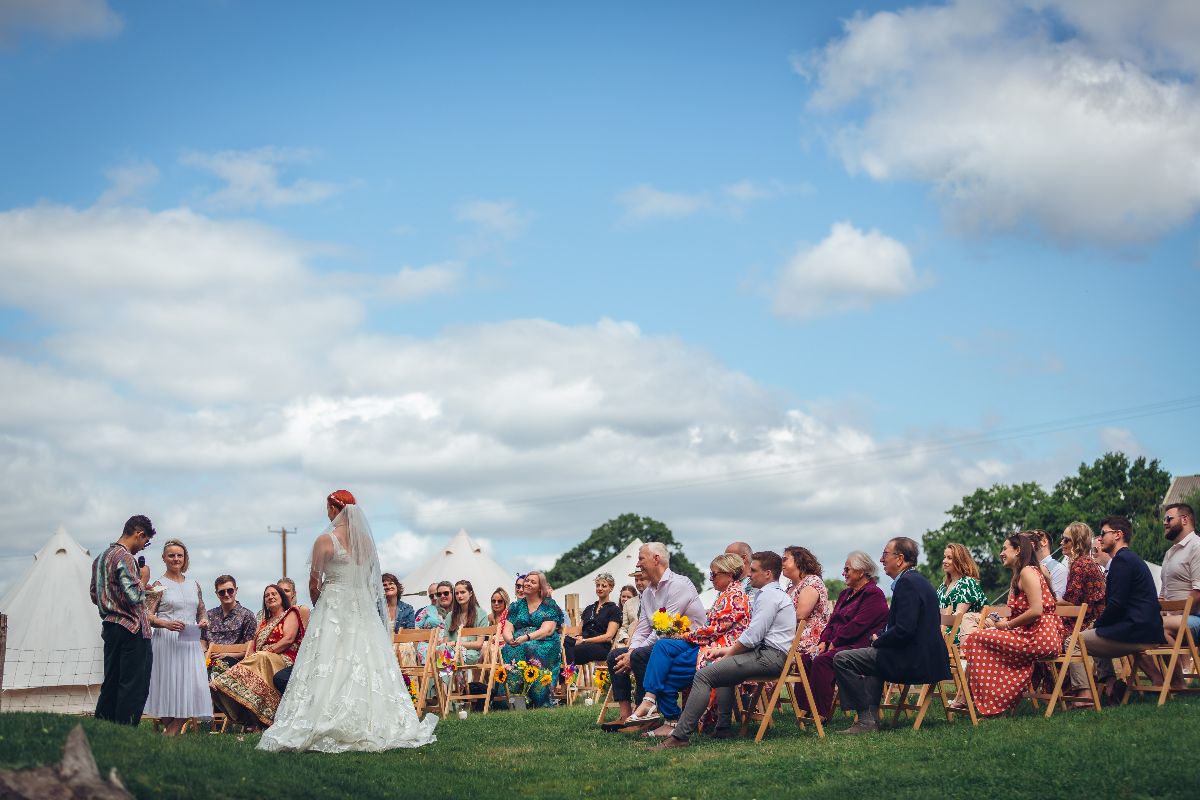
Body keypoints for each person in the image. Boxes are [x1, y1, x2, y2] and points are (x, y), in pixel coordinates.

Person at [259, 490, 437, 752]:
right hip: (361, 607)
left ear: (333, 509)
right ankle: (372, 720)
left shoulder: (325, 540)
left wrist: (322, 606)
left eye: (327, 508)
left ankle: (324, 716)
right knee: (364, 660)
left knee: (329, 659)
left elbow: (313, 582)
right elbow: (370, 581)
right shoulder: (365, 542)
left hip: (333, 604)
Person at [655, 551, 792, 748]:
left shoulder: (769, 596)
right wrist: (724, 652)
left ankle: (680, 736)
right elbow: (752, 637)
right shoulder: (772, 594)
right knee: (722, 668)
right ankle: (722, 728)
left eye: (753, 570)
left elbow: (752, 636)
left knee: (704, 675)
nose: (749, 574)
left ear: (768, 573)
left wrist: (727, 651)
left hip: (769, 658)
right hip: (768, 655)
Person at [832, 537, 950, 735]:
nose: (880, 560)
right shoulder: (916, 580)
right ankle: (870, 718)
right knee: (868, 659)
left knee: (842, 659)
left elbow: (904, 630)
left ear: (900, 558)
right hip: (923, 656)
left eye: (885, 554)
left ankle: (865, 719)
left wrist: (879, 641)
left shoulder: (908, 584)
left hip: (914, 660)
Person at [628, 553, 750, 734]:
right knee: (663, 646)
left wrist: (686, 635)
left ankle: (671, 720)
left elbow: (714, 630)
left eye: (714, 574)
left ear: (729, 574)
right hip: (705, 643)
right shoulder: (724, 594)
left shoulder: (735, 596)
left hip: (719, 649)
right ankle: (650, 700)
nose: (711, 578)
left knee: (667, 671)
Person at [961, 532, 1065, 717]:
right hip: (1032, 633)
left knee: (977, 639)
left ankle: (990, 704)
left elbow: (1036, 610)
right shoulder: (1022, 573)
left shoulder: (1027, 572)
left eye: (1004, 548)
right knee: (982, 637)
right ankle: (992, 700)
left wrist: (1007, 626)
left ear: (1017, 550)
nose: (1001, 553)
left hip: (1040, 637)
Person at [606, 543, 706, 725]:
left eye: (641, 558)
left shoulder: (678, 585)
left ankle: (646, 715)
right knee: (615, 656)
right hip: (665, 643)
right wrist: (630, 651)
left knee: (639, 655)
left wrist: (633, 654)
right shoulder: (647, 592)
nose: (637, 564)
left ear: (656, 559)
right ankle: (626, 716)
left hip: (689, 644)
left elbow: (663, 630)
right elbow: (643, 626)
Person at [1081, 516, 1168, 701]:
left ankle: (1086, 695)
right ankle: (1119, 685)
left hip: (1137, 631)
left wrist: (1096, 625)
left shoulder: (1122, 562)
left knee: (1076, 641)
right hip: (1145, 628)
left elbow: (1116, 605)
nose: (1100, 539)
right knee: (1094, 635)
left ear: (1118, 535)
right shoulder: (1130, 559)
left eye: (1103, 534)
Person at [800, 551, 889, 722]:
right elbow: (832, 622)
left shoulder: (873, 594)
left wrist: (834, 642)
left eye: (847, 569)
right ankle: (806, 708)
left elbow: (857, 626)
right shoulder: (845, 594)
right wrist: (824, 641)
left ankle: (821, 713)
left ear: (861, 572)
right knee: (806, 658)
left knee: (822, 661)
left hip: (858, 645)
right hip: (838, 643)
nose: (844, 573)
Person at [90, 514, 156, 726]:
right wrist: (143, 579)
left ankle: (103, 728)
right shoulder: (125, 557)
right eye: (145, 541)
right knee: (133, 685)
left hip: (110, 626)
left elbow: (94, 594)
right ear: (139, 534)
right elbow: (135, 596)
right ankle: (124, 731)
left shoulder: (99, 559)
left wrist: (114, 602)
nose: (144, 547)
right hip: (132, 629)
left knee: (110, 682)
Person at [143, 539, 212, 734]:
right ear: (164, 558)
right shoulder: (158, 585)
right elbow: (147, 615)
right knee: (167, 688)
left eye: (179, 555)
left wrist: (204, 621)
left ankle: (170, 733)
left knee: (192, 687)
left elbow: (202, 612)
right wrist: (166, 623)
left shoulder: (194, 584)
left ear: (185, 558)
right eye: (171, 555)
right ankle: (171, 733)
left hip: (190, 642)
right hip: (165, 641)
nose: (176, 559)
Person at [209, 584, 303, 727]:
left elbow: (288, 639)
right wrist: (250, 658)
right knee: (247, 662)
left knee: (261, 658)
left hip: (284, 658)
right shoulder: (263, 623)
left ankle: (221, 681)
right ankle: (252, 721)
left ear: (282, 597)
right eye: (267, 595)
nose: (270, 597)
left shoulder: (291, 613)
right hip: (261, 659)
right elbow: (253, 647)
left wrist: (264, 653)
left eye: (274, 594)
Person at [500, 571, 565, 708]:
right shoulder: (516, 606)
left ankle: (538, 699)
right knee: (507, 649)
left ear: (540, 587)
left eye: (533, 582)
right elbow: (507, 628)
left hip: (545, 643)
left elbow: (547, 630)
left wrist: (527, 637)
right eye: (527, 580)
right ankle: (514, 700)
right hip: (519, 641)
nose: (528, 583)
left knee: (528, 647)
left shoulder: (549, 604)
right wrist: (509, 639)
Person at [1059, 522, 1106, 701]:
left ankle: (1081, 691)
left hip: (1089, 622)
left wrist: (1045, 603)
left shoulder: (1080, 565)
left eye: (1066, 540)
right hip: (1096, 619)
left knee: (1056, 636)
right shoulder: (1087, 562)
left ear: (1077, 542)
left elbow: (1071, 600)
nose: (1062, 543)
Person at [1158, 503, 1200, 655]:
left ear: (1184, 519)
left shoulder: (1197, 547)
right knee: (1137, 625)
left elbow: (1198, 592)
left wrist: (1175, 613)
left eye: (1168, 518)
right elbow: (1163, 594)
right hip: (1175, 619)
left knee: (1155, 626)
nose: (1164, 523)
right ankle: (1169, 677)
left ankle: (1176, 677)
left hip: (1195, 618)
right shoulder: (1169, 553)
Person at [782, 545, 831, 656]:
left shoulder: (811, 581)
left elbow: (800, 615)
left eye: (785, 559)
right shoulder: (789, 588)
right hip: (790, 638)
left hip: (806, 642)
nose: (782, 564)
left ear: (799, 561)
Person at [564, 573, 621, 667]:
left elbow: (609, 636)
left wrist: (585, 640)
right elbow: (579, 631)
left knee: (572, 650)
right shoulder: (589, 608)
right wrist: (577, 637)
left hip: (601, 646)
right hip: (583, 642)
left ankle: (568, 677)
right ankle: (559, 678)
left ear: (611, 588)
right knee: (561, 643)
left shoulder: (615, 610)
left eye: (604, 586)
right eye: (598, 585)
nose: (600, 588)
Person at [937, 543, 987, 643]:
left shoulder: (967, 583)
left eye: (949, 558)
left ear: (959, 560)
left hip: (958, 636)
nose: (944, 561)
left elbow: (957, 618)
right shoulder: (943, 587)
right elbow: (939, 613)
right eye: (944, 557)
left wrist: (932, 622)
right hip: (940, 632)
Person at [206, 575, 257, 670]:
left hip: (233, 664)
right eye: (222, 592)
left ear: (236, 590)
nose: (226, 594)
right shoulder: (209, 615)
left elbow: (249, 649)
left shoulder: (247, 616)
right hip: (208, 660)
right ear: (216, 594)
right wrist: (205, 654)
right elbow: (202, 641)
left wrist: (226, 655)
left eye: (230, 590)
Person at [447, 580, 490, 664]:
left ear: (470, 593)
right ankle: (451, 675)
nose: (459, 596)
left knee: (446, 658)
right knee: (440, 652)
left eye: (463, 592)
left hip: (471, 653)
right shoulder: (450, 616)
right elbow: (445, 643)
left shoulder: (481, 614)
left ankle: (452, 675)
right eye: (457, 593)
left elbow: (478, 644)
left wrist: (456, 644)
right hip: (450, 652)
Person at [614, 571, 648, 648]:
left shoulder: (656, 599)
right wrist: (626, 639)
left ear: (649, 579)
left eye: (641, 579)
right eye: (636, 580)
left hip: (648, 643)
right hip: (630, 643)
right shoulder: (628, 603)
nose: (638, 582)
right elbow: (623, 627)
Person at [1033, 529, 1068, 598]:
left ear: (1044, 542)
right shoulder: (1027, 568)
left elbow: (1057, 599)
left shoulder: (1058, 569)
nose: (1027, 544)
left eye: (1032, 539)